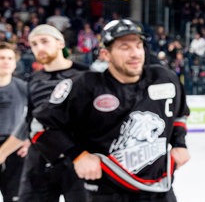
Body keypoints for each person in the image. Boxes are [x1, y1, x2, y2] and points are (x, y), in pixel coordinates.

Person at [32, 19, 190, 201]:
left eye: (138, 46)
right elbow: (40, 126)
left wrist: (179, 143)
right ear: (106, 54)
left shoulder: (164, 78)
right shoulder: (85, 86)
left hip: (160, 189)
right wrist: (78, 156)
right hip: (106, 192)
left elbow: (181, 114)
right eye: (124, 47)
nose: (135, 54)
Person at [0, 24, 89, 201]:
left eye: (44, 41)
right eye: (33, 44)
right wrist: (2, 153)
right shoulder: (33, 80)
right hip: (39, 159)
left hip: (77, 158)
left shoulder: (85, 75)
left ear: (60, 43)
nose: (39, 48)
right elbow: (29, 122)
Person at [0, 42, 28, 202]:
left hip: (14, 148)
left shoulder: (23, 87)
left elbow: (37, 118)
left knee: (15, 197)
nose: (6, 61)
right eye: (2, 58)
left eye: (10, 58)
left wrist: (28, 141)